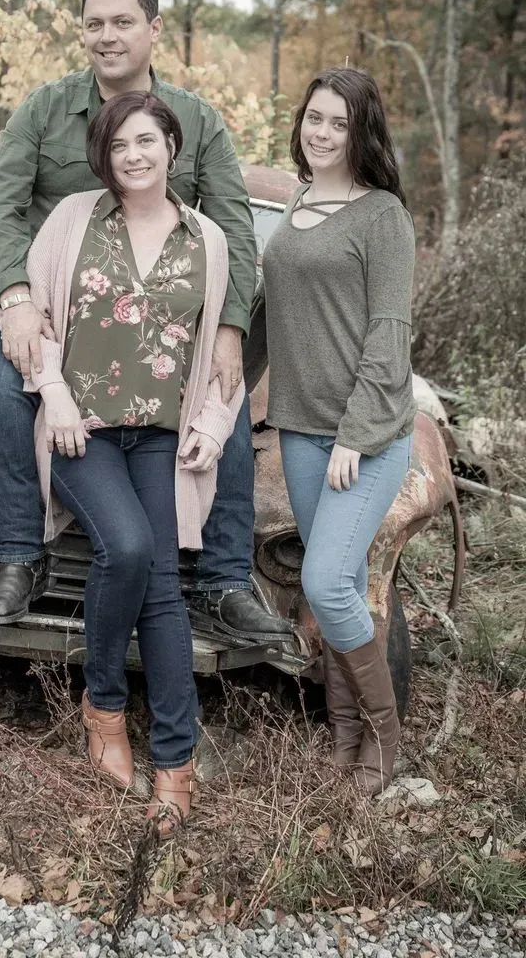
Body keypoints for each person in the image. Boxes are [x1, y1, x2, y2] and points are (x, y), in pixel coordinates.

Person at [0, 0, 291, 642]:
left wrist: (230, 327)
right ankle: (19, 557)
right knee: (1, 380)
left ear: (153, 29)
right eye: (94, 24)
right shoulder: (45, 109)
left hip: (158, 316)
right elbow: (0, 209)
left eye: (122, 22)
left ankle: (225, 581)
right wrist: (17, 298)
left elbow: (234, 225)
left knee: (225, 396)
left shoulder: (197, 121)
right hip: (52, 305)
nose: (107, 36)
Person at [22, 90, 241, 834]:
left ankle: (175, 763)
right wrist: (51, 396)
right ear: (104, 157)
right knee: (132, 547)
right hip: (79, 430)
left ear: (171, 145)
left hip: (159, 435)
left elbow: (220, 350)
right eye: (120, 146)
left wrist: (212, 426)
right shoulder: (74, 220)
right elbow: (34, 320)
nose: (134, 156)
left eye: (146, 141)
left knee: (164, 591)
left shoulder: (206, 239)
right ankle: (105, 705)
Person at [261, 68, 416, 795]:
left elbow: (389, 334)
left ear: (361, 134)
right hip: (298, 428)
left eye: (337, 124)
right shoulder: (296, 202)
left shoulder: (382, 215)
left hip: (369, 436)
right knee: (339, 584)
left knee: (324, 579)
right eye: (313, 119)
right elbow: (274, 313)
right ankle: (345, 733)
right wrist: (229, 374)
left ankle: (385, 737)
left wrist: (356, 435)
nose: (321, 133)